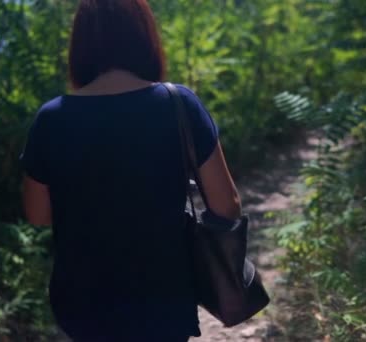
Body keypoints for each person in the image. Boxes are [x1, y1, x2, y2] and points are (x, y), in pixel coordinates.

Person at [20, 0, 242, 340]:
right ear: (145, 37)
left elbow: (37, 214)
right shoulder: (179, 104)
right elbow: (227, 205)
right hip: (165, 298)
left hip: (83, 301)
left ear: (80, 46)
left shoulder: (52, 118)